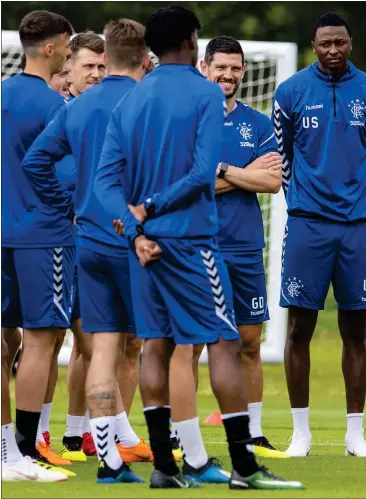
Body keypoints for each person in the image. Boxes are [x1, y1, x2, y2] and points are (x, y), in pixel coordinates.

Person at [104, 6, 304, 490]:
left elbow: (105, 183)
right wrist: (151, 207)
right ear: (192, 43)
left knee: (156, 346)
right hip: (193, 242)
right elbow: (199, 175)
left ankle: (165, 468)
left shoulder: (131, 99)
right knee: (225, 343)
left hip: (145, 248)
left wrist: (137, 231)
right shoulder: (204, 94)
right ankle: (244, 465)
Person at [22, 18, 155, 484]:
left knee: (101, 348)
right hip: (137, 239)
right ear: (144, 58)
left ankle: (107, 455)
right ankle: (176, 450)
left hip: (89, 240)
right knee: (156, 344)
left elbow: (35, 160)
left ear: (109, 58)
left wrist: (72, 205)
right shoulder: (147, 100)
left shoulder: (75, 107)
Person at [273, 11, 366, 457]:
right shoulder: (290, 91)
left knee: (357, 330)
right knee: (299, 329)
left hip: (360, 228)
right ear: (314, 45)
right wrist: (301, 203)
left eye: (340, 43)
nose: (333, 50)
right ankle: (301, 433)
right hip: (308, 225)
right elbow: (282, 157)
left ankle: (354, 433)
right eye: (325, 43)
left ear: (351, 43)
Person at [196, 35, 285, 456]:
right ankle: (183, 436)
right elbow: (189, 187)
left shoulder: (259, 123)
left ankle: (253, 434)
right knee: (191, 341)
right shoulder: (189, 118)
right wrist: (242, 174)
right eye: (221, 67)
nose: (228, 75)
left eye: (235, 68)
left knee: (250, 343)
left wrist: (224, 169)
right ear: (204, 67)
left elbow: (271, 181)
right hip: (197, 246)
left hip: (246, 247)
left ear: (243, 71)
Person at [1, 9, 74, 482]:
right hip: (41, 236)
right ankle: (24, 456)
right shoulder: (54, 107)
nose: (68, 53)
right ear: (49, 50)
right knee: (41, 344)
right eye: (66, 46)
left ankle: (6, 452)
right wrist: (68, 204)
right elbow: (56, 174)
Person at [68, 30, 106, 99]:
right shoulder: (57, 107)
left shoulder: (114, 106)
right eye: (89, 66)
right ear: (69, 67)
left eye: (101, 67)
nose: (96, 75)